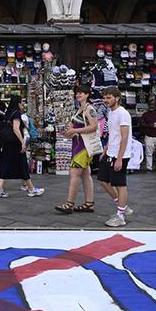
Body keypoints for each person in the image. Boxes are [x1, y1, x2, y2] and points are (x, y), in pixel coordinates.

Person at [56, 84, 99, 214]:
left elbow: (94, 127)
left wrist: (74, 130)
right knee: (85, 174)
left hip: (83, 147)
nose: (78, 94)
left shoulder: (89, 109)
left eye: (81, 93)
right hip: (79, 144)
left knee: (74, 173)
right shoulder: (80, 109)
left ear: (87, 95)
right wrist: (69, 132)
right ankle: (89, 203)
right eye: (77, 93)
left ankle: (69, 203)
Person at [0, 95, 43, 198]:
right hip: (15, 143)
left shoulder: (8, 113)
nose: (22, 104)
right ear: (18, 103)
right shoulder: (16, 114)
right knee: (22, 164)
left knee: (5, 164)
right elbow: (16, 129)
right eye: (21, 102)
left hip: (6, 142)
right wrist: (22, 142)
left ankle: (0, 190)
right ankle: (31, 190)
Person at [97, 87, 133, 227]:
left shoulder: (122, 114)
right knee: (102, 180)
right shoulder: (111, 113)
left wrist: (119, 158)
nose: (106, 100)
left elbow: (124, 137)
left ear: (117, 98)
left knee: (120, 184)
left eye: (109, 97)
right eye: (105, 98)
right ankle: (122, 206)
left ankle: (120, 215)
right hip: (110, 152)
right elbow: (113, 134)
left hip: (120, 155)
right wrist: (105, 150)